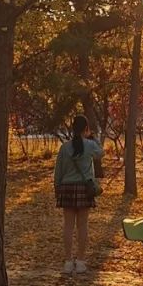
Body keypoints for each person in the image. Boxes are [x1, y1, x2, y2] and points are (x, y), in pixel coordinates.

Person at [53, 114, 102, 274]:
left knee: (68, 226)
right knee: (82, 226)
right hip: (84, 189)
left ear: (73, 128)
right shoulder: (90, 145)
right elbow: (101, 153)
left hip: (67, 188)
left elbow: (58, 170)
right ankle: (80, 261)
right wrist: (95, 138)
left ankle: (68, 261)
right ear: (86, 129)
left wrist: (57, 187)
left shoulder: (64, 147)